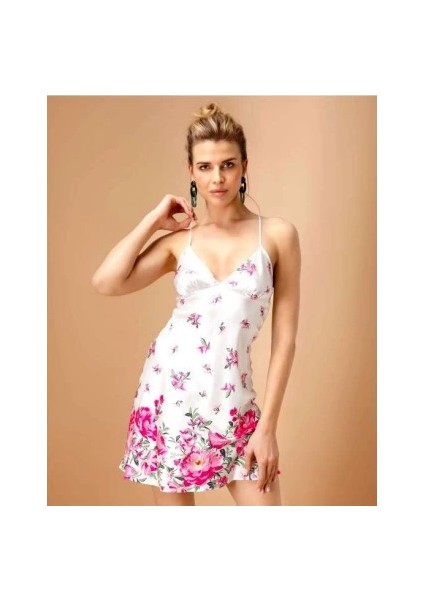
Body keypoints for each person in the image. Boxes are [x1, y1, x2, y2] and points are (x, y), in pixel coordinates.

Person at [91, 102, 301, 506]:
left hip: (235, 406)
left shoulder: (277, 235)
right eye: (205, 167)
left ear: (244, 167)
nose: (217, 178)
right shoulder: (178, 243)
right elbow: (106, 281)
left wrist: (268, 427)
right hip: (169, 397)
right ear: (191, 171)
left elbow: (285, 341)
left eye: (227, 165)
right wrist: (154, 220)